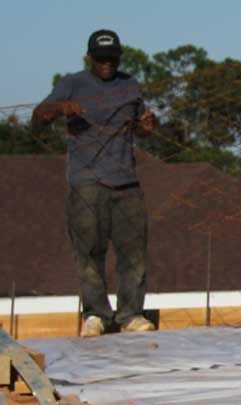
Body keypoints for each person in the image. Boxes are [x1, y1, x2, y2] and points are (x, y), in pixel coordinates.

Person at [32, 30, 158, 337]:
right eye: (101, 59)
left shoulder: (130, 85)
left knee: (134, 253)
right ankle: (96, 314)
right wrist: (62, 108)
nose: (107, 65)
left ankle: (130, 315)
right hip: (86, 182)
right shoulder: (71, 84)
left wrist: (146, 127)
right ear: (89, 58)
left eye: (112, 59)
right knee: (89, 251)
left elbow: (140, 128)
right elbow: (37, 118)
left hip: (126, 182)